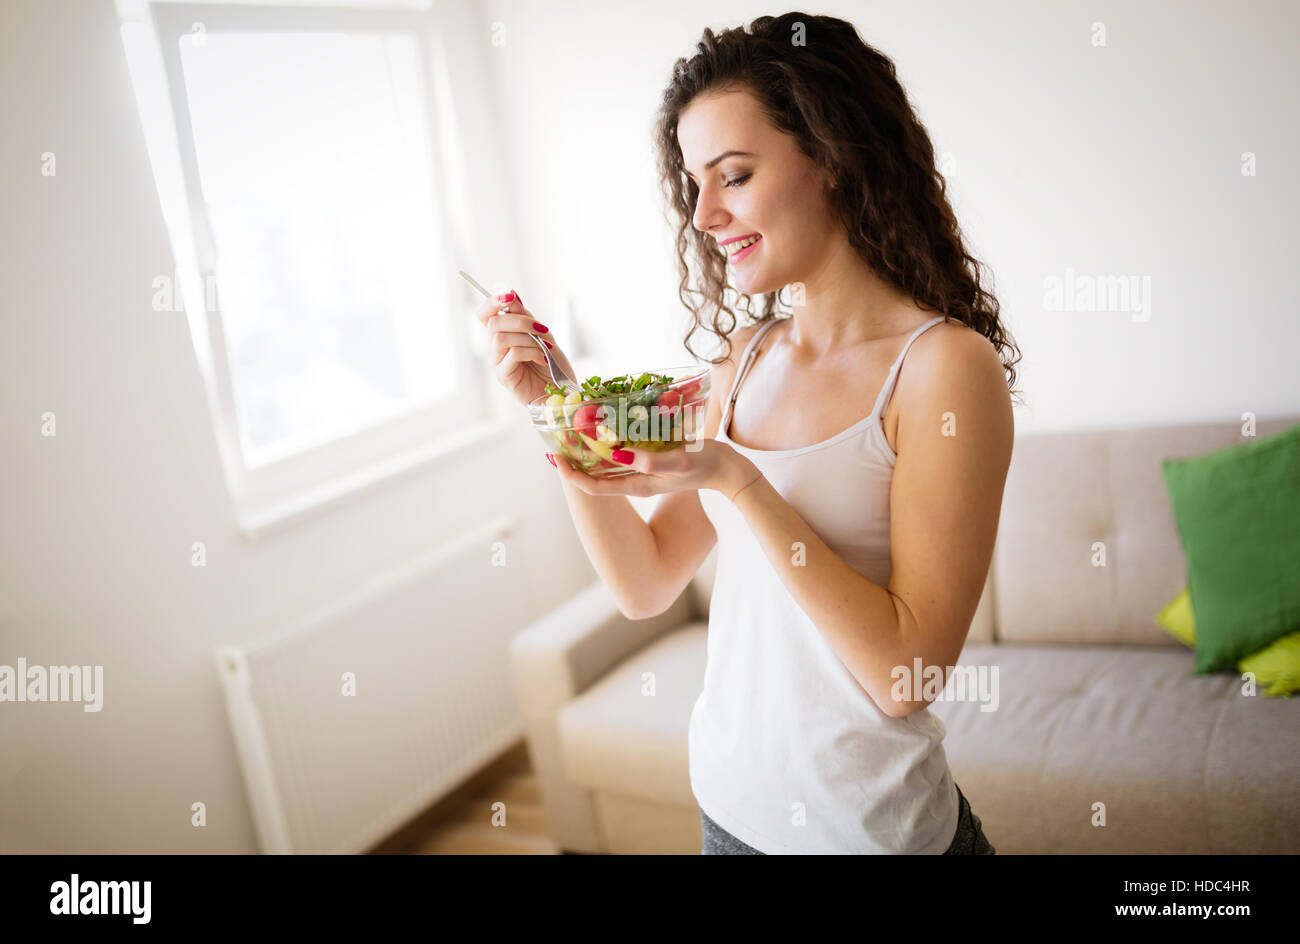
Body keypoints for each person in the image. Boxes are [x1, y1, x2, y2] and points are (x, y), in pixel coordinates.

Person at [475, 12, 1019, 854]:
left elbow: (905, 675)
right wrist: (560, 412)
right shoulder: (746, 356)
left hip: (870, 838)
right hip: (728, 815)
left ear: (834, 158)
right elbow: (646, 583)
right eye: (694, 183)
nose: (703, 214)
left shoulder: (943, 369)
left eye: (732, 176)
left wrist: (737, 480)